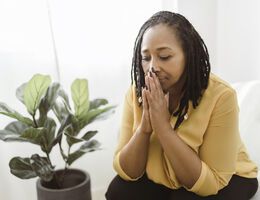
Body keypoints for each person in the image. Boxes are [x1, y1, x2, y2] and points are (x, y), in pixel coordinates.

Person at [105, 11, 258, 200]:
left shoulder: (221, 97)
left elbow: (210, 183)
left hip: (228, 177)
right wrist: (144, 129)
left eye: (165, 56)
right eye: (146, 58)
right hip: (167, 174)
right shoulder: (137, 93)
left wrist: (162, 127)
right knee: (118, 191)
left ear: (188, 55)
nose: (153, 66)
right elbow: (126, 171)